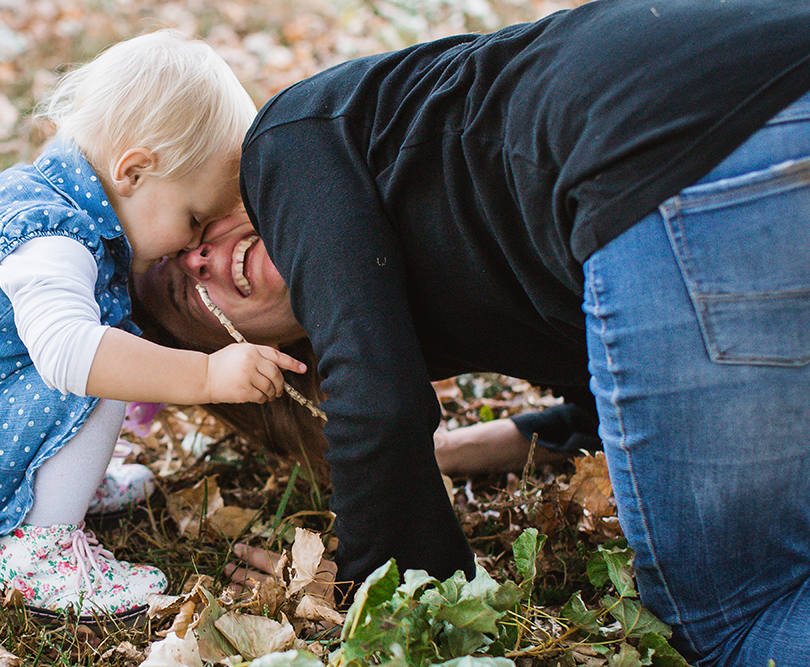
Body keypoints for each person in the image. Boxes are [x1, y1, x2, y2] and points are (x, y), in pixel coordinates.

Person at [133, 2, 810, 663]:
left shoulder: (282, 145)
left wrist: (371, 589)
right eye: (179, 291)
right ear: (236, 357)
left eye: (194, 226)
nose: (197, 257)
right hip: (762, 103)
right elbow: (615, 400)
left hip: (671, 163)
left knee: (732, 620)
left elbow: (379, 402)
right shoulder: (427, 258)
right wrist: (450, 451)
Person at [0, 29, 307, 623]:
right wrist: (204, 373)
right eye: (194, 217)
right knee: (94, 362)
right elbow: (67, 352)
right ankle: (41, 553)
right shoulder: (50, 232)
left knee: (99, 357)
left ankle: (46, 489)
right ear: (134, 171)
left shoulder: (51, 204)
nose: (193, 244)